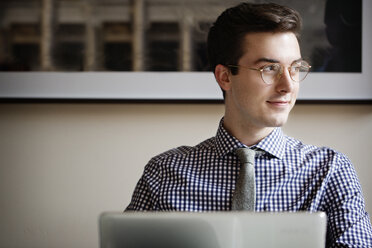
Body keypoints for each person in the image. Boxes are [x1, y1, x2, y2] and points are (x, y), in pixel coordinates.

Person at [126, 2, 372, 247]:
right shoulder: (164, 173)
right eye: (269, 68)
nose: (287, 85)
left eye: (295, 68)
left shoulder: (330, 171)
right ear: (225, 77)